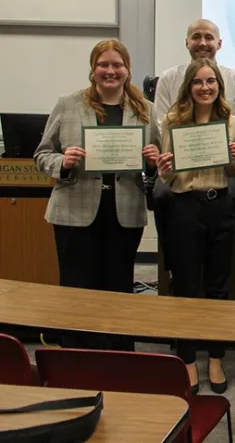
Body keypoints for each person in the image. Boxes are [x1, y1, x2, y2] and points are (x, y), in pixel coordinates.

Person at [34, 40, 160, 351]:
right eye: (103, 64)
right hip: (74, 210)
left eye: (117, 65)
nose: (110, 71)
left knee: (117, 289)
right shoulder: (68, 104)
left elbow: (157, 160)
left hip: (124, 211)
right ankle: (74, 358)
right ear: (93, 69)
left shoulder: (145, 109)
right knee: (77, 289)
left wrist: (153, 160)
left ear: (127, 70)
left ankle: (116, 356)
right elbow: (41, 155)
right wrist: (62, 162)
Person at [157, 59, 235, 395]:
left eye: (211, 82)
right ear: (188, 86)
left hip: (219, 204)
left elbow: (233, 172)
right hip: (184, 206)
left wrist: (234, 159)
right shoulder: (173, 120)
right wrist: (164, 168)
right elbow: (167, 176)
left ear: (220, 86)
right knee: (187, 287)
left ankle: (216, 358)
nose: (205, 88)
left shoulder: (231, 122)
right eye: (198, 82)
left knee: (218, 287)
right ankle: (188, 359)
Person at [152, 19, 235, 278]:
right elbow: (162, 123)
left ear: (219, 43)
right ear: (187, 42)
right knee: (161, 195)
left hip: (220, 176)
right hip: (181, 179)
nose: (202, 43)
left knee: (228, 199)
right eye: (196, 37)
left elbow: (234, 129)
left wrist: (228, 155)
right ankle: (169, 268)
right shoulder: (169, 79)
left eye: (208, 37)